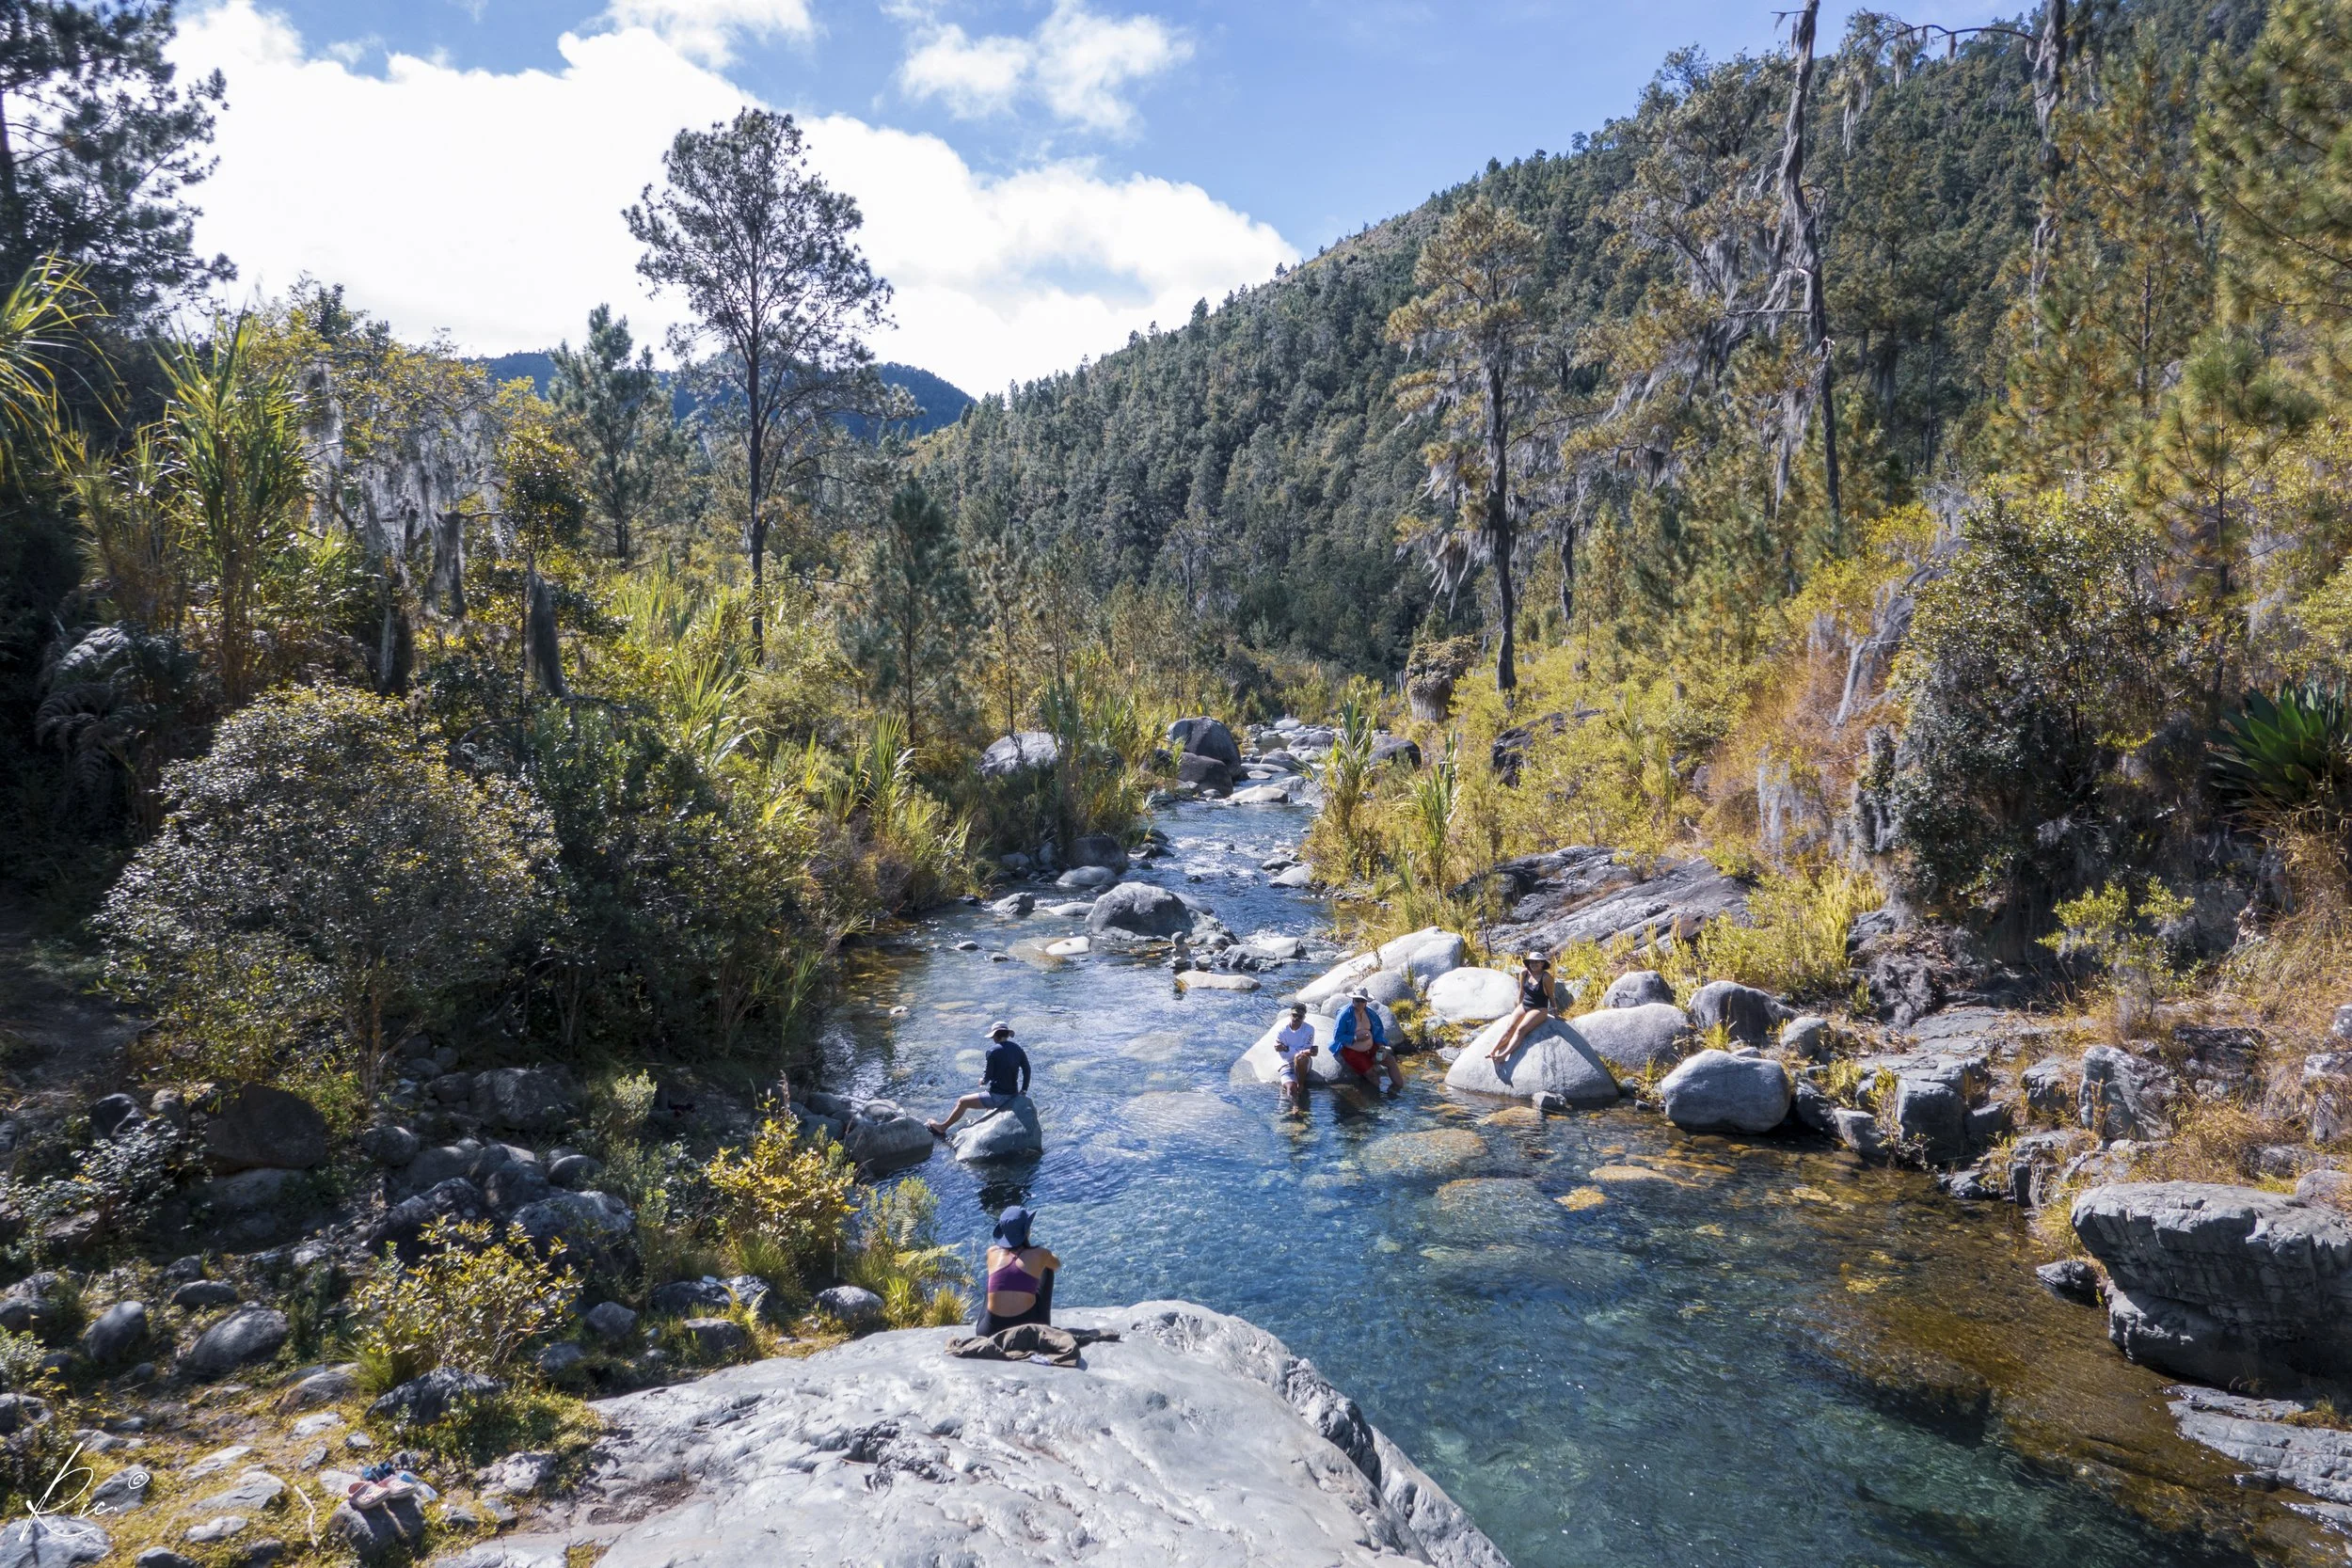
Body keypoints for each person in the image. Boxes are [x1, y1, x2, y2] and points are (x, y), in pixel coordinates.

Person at [930, 1021, 1030, 1135]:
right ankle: (985, 1122)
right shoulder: (1018, 1049)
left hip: (998, 1097)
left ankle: (943, 1127)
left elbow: (988, 1076)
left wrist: (982, 1081)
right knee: (986, 1100)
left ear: (996, 1036)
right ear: (1007, 1034)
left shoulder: (992, 1051)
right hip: (1013, 1095)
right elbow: (1027, 1070)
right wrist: (1023, 1090)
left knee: (963, 1101)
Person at [976, 1205, 1059, 1335]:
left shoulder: (991, 1252)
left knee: (996, 1276)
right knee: (1048, 1268)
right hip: (1027, 1330)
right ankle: (1044, 1326)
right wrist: (1037, 1262)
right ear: (1026, 1231)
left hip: (988, 1331)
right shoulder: (1040, 1254)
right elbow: (1056, 1265)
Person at [1486, 951, 1556, 1066]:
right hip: (1525, 1005)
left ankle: (1502, 1056)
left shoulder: (1546, 978)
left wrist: (1555, 1012)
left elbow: (1551, 995)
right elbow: (1521, 992)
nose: (1534, 964)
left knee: (1521, 1030)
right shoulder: (1524, 973)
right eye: (1531, 962)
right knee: (1510, 1027)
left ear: (1543, 963)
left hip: (1539, 1009)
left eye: (1537, 962)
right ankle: (1492, 1051)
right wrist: (1518, 1006)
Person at [1330, 989, 1405, 1093]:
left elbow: (1378, 1032)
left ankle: (1399, 1089)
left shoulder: (1371, 1014)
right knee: (1372, 1074)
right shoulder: (1345, 1015)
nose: (1360, 1003)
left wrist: (1381, 1046)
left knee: (1391, 1060)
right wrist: (1355, 1038)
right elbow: (1338, 1036)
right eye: (1357, 1000)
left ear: (1366, 1002)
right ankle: (1383, 1098)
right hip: (1351, 1050)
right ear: (1353, 1000)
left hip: (1371, 1047)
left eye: (1363, 1000)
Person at [1274, 1003, 1318, 1108]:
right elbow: (1280, 1050)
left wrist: (1287, 1048)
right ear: (1290, 1015)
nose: (1296, 1018)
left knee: (1300, 1058)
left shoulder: (1309, 1029)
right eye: (1294, 1015)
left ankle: (1301, 1084)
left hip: (1303, 1062)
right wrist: (1300, 1050)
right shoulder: (1282, 1031)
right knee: (1290, 1088)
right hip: (1287, 1063)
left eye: (1300, 1017)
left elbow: (1308, 1052)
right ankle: (1295, 1106)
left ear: (1304, 1018)